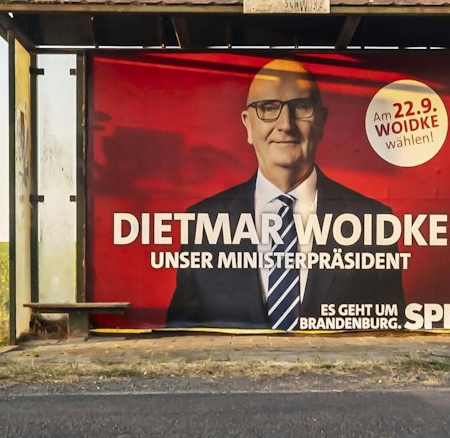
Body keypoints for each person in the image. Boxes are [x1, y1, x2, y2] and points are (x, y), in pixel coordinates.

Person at [163, 59, 403, 330]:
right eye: (268, 108)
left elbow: (391, 331)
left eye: (301, 106)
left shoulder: (373, 220)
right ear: (247, 124)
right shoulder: (201, 221)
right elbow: (180, 331)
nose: (285, 124)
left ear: (322, 122)